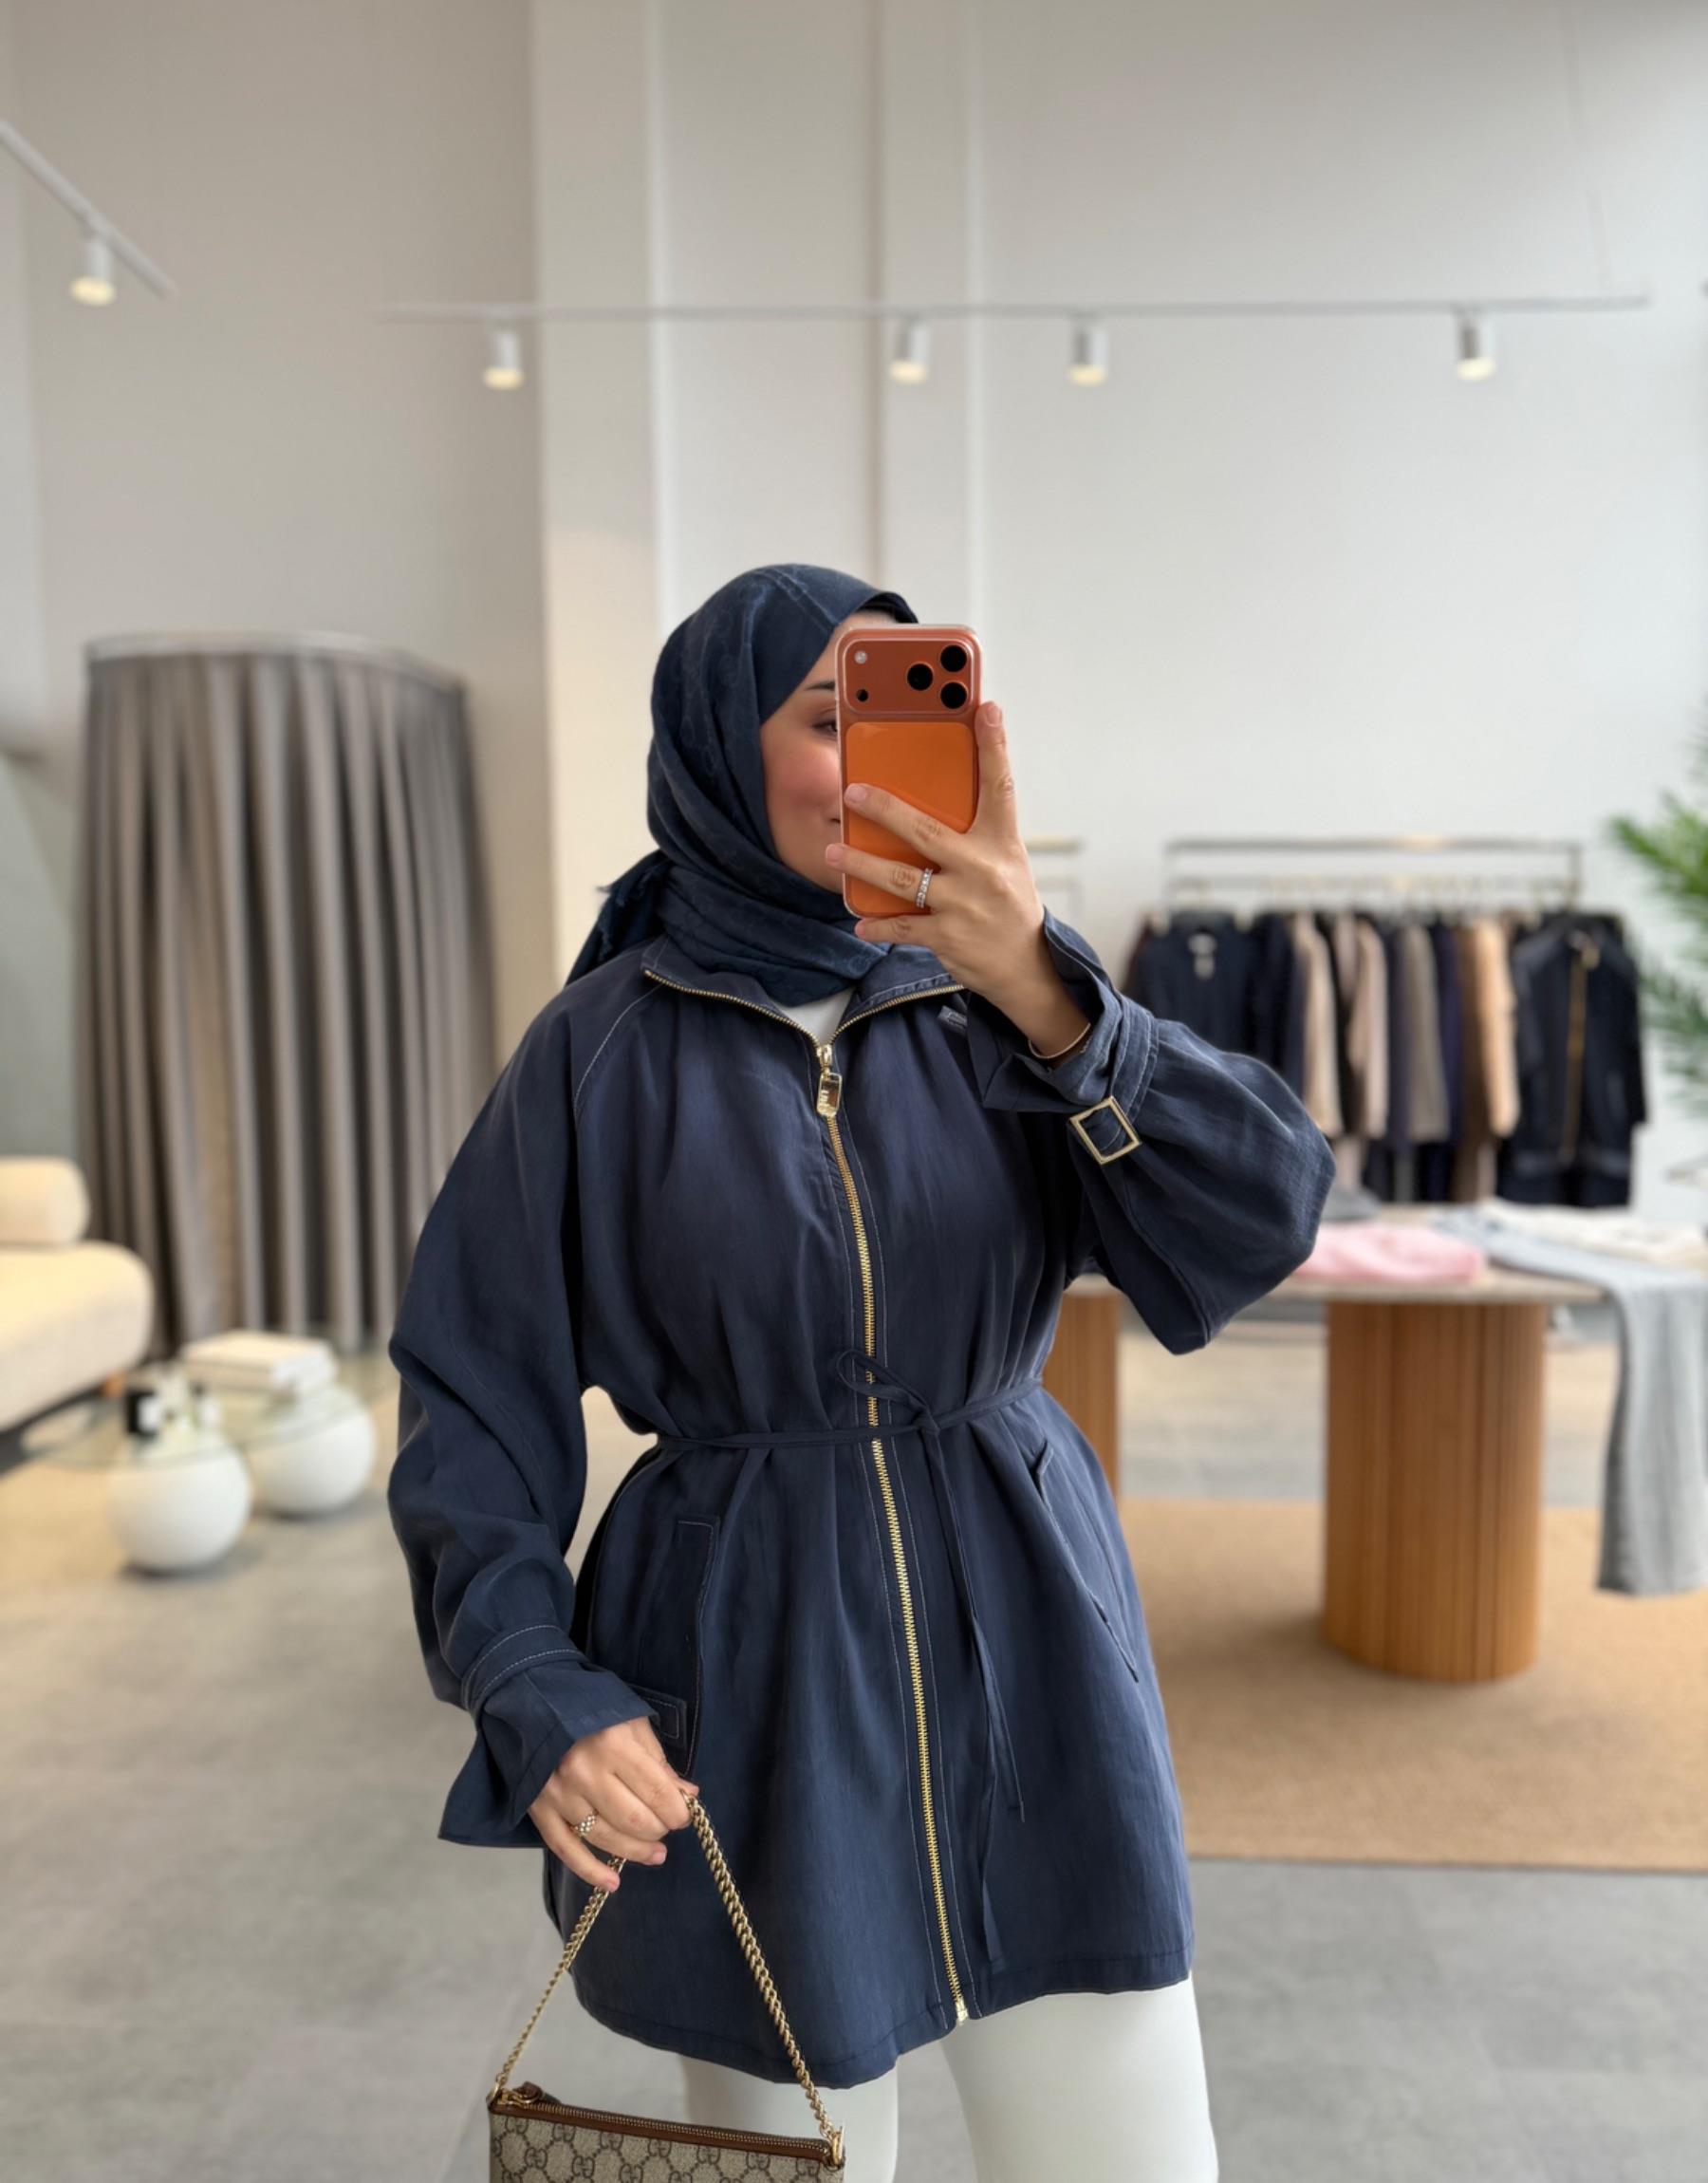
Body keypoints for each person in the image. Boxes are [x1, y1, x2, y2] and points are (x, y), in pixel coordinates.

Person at [386, 562, 1337, 2182]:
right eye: (832, 720)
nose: (883, 762)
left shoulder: (1011, 1001)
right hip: (751, 1682)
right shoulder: (599, 1050)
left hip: (1032, 1646)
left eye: (917, 716)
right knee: (792, 2158)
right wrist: (534, 1681)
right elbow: (470, 1396)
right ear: (720, 750)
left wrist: (1048, 992)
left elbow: (1267, 1210)